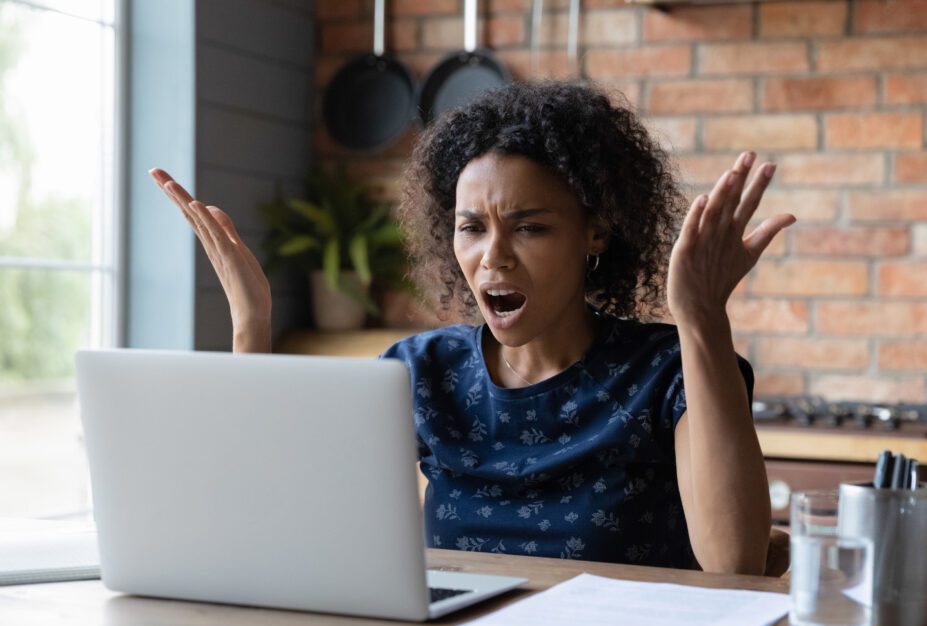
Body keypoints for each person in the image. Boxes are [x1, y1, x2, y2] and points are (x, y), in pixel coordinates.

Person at [150, 81, 795, 575]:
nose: (494, 256)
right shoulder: (422, 371)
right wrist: (251, 324)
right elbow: (284, 519)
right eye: (472, 227)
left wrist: (703, 317)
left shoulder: (669, 369)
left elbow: (734, 563)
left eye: (529, 226)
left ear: (594, 231)